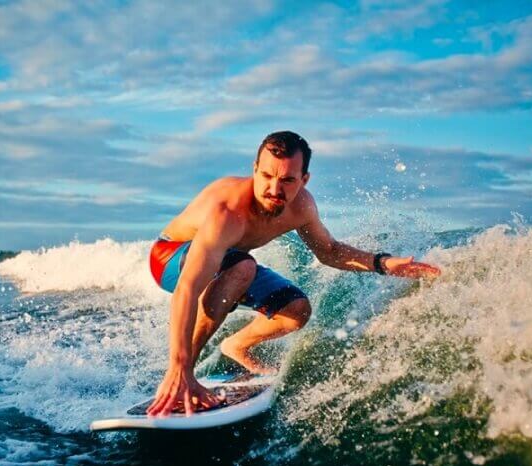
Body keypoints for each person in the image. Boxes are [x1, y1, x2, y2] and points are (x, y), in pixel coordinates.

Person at [146, 131, 441, 417]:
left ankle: (235, 345)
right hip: (170, 257)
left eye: (287, 180)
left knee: (295, 310)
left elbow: (329, 251)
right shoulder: (226, 212)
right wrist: (179, 365)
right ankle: (183, 375)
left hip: (230, 261)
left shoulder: (302, 207)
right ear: (255, 169)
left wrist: (383, 263)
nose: (274, 189)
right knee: (242, 267)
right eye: (266, 176)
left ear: (304, 180)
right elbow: (187, 288)